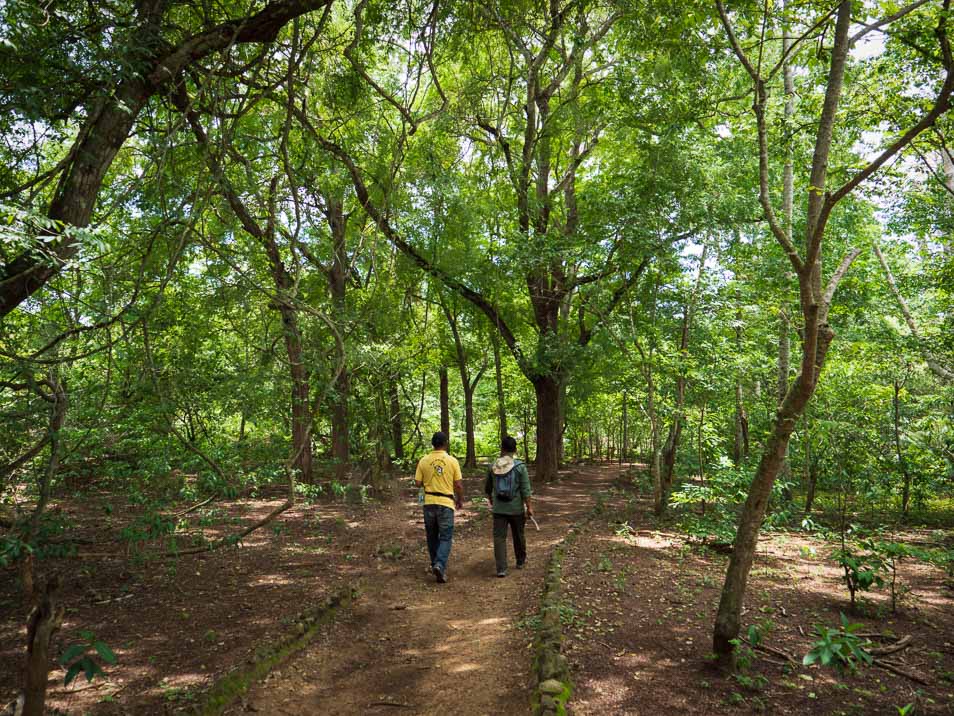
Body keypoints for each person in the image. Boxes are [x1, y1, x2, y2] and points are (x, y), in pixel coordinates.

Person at [415, 431, 464, 583]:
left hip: (428, 502)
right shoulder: (452, 461)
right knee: (446, 536)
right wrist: (460, 499)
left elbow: (418, 483)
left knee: (431, 536)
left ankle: (435, 563)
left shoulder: (423, 460)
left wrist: (422, 498)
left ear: (433, 444)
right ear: (445, 443)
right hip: (445, 503)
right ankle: (440, 564)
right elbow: (458, 484)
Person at [484, 435, 533, 577]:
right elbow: (525, 489)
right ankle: (520, 561)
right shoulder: (520, 467)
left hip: (499, 508)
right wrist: (529, 507)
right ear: (515, 450)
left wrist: (491, 499)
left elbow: (488, 487)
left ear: (502, 449)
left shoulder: (493, 466)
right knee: (519, 534)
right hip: (516, 508)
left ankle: (501, 568)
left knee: (499, 538)